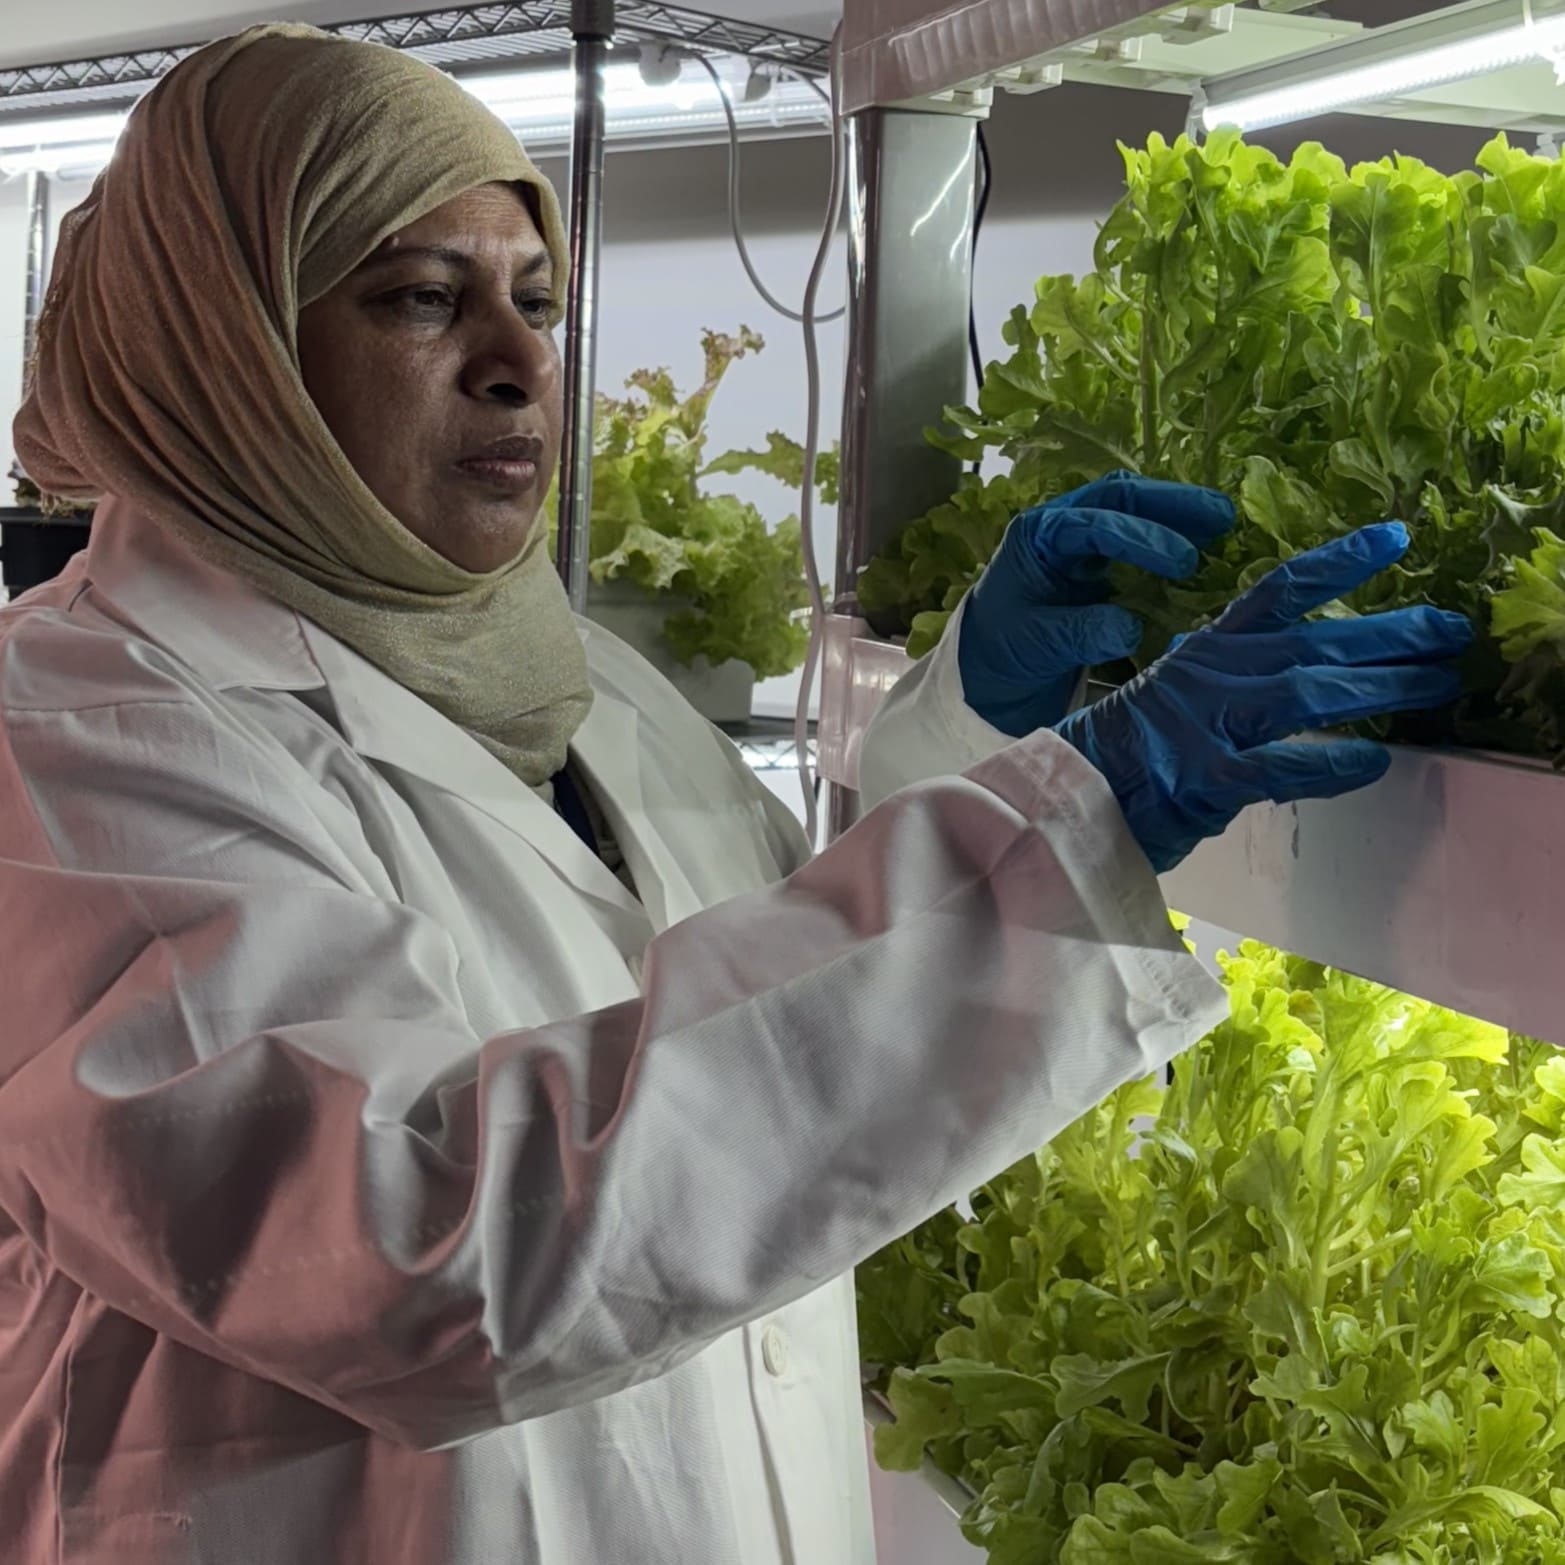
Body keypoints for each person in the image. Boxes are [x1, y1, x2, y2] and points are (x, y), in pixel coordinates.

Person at [0, 25, 1469, 1565]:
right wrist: (1074, 825)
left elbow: (734, 987)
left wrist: (972, 728)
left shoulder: (561, 676)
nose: (517, 361)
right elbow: (426, 1245)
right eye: (423, 298)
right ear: (221, 347)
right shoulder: (71, 741)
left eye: (537, 299)